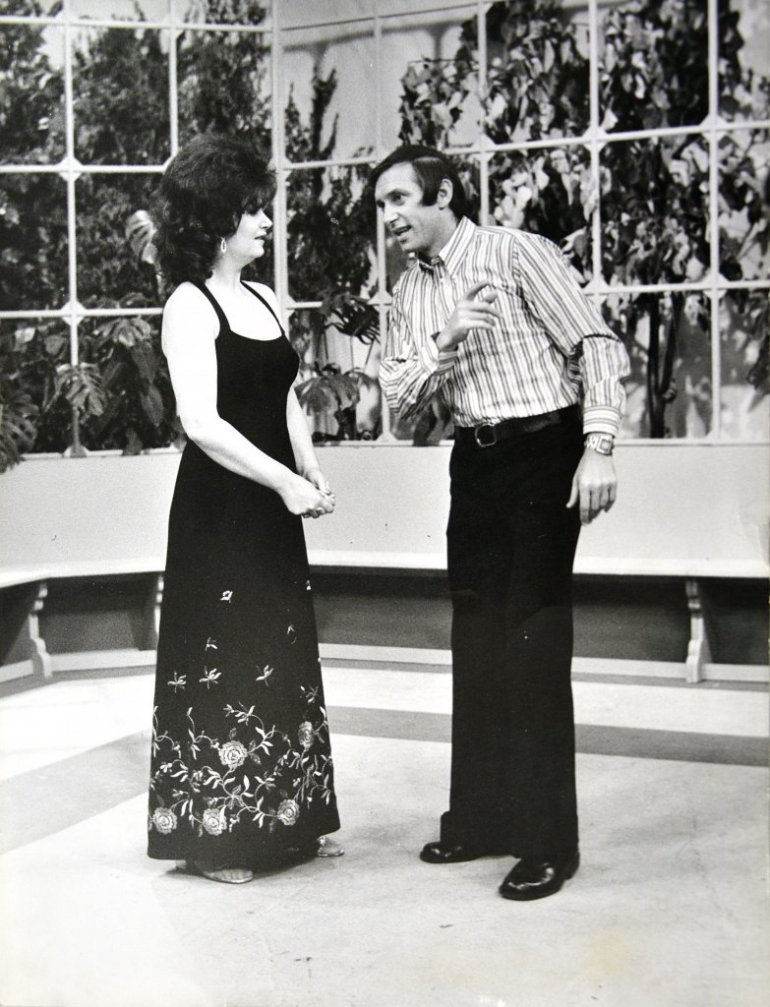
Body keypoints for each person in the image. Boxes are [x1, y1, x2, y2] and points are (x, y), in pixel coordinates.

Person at [372, 145, 630, 901]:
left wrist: (598, 447)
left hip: (545, 454)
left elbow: (594, 343)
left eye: (399, 199)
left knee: (534, 641)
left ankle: (549, 842)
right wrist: (446, 339)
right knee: (477, 638)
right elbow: (402, 403)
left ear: (444, 194)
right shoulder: (408, 294)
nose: (389, 217)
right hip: (475, 465)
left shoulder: (517, 253)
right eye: (381, 205)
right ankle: (480, 820)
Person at [147, 134, 341, 884]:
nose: (266, 220)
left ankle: (290, 822)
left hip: (271, 500)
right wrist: (284, 482)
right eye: (252, 208)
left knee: (278, 649)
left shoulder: (263, 298)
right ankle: (218, 842)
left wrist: (309, 466)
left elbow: (284, 396)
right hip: (222, 508)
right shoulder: (187, 305)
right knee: (224, 659)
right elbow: (201, 422)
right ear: (214, 216)